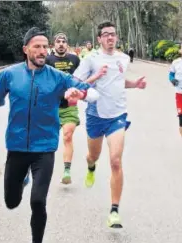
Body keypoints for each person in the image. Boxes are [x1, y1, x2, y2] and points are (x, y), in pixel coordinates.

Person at [0, 27, 101, 243]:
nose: (42, 50)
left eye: (44, 46)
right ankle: (22, 177)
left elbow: (93, 93)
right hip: (16, 147)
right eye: (36, 46)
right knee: (12, 201)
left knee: (37, 201)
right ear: (25, 49)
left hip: (44, 148)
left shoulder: (57, 77)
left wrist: (78, 94)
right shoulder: (10, 75)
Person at [72, 21, 147, 229]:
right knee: (92, 155)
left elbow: (119, 81)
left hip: (117, 116)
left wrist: (135, 85)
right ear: (99, 39)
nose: (110, 38)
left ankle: (114, 210)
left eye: (113, 34)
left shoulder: (123, 58)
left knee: (115, 161)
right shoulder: (90, 59)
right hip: (96, 115)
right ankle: (91, 166)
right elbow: (75, 81)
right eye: (106, 35)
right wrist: (95, 76)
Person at [23, 32, 106, 186]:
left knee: (67, 136)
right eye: (58, 41)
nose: (61, 43)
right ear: (53, 45)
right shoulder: (46, 60)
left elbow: (80, 80)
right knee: (41, 140)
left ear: (67, 44)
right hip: (49, 106)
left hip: (69, 106)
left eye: (63, 41)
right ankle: (27, 171)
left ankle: (67, 171)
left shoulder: (74, 59)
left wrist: (83, 88)